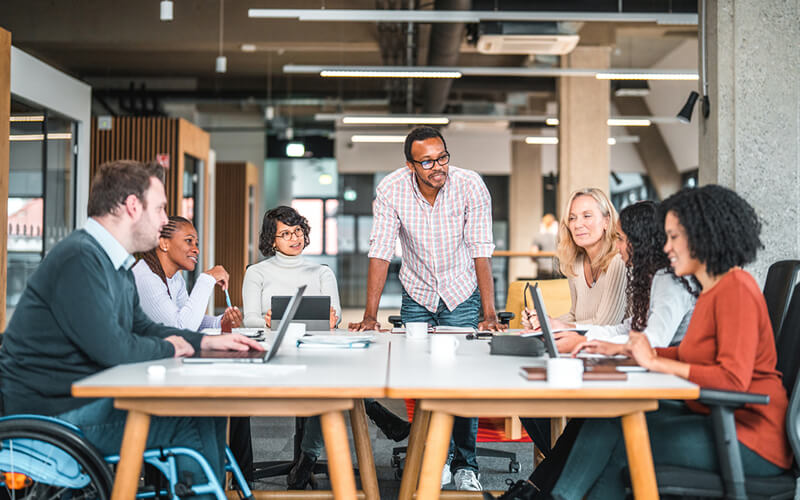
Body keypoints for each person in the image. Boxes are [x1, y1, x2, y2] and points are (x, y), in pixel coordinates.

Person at [490, 185, 791, 500]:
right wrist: (621, 349)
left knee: (621, 440)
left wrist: (653, 360)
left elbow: (732, 380)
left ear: (704, 236)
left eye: (673, 237)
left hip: (750, 438)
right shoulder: (711, 290)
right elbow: (688, 354)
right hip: (715, 417)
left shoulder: (736, 288)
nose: (666, 247)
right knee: (607, 418)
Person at [0, 160, 263, 495]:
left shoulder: (115, 262)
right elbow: (114, 349)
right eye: (161, 209)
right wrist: (172, 347)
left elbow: (142, 326)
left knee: (206, 407)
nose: (166, 220)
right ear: (132, 206)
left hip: (78, 402)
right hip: (51, 420)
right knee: (186, 417)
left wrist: (204, 343)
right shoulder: (80, 259)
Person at [349, 126, 506, 491]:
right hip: (417, 292)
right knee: (421, 378)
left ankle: (466, 464)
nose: (438, 167)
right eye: (427, 161)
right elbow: (380, 252)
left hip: (461, 290)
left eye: (443, 157)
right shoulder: (391, 189)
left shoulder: (470, 185)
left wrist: (489, 311)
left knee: (462, 380)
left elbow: (482, 249)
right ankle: (437, 456)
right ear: (411, 165)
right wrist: (370, 316)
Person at [517, 200, 698, 475]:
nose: (618, 246)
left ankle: (546, 486)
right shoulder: (653, 277)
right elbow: (628, 328)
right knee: (579, 422)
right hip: (650, 375)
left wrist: (581, 341)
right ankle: (544, 486)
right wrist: (570, 332)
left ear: (640, 241)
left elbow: (652, 343)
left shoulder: (668, 281)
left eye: (622, 239)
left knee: (591, 417)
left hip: (666, 386)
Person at [132, 215, 253, 482]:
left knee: (237, 401)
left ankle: (240, 480)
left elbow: (194, 322)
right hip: (150, 378)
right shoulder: (145, 278)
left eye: (196, 242)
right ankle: (211, 479)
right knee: (223, 400)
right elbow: (180, 328)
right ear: (163, 244)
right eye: (188, 241)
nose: (196, 248)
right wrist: (206, 280)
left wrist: (221, 322)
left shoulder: (173, 279)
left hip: (171, 367)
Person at [241, 205, 343, 490]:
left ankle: (307, 458)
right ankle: (374, 411)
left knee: (332, 380)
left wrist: (328, 319)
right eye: (285, 233)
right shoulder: (256, 273)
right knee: (334, 384)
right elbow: (249, 318)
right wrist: (267, 320)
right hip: (277, 350)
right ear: (271, 240)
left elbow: (336, 316)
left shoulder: (322, 272)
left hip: (316, 349)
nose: (294, 238)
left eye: (297, 231)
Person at [522, 187, 627, 354]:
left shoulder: (619, 260)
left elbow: (607, 325)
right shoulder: (577, 262)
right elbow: (574, 315)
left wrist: (558, 326)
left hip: (613, 353)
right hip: (586, 349)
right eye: (572, 218)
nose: (578, 224)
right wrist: (545, 322)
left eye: (587, 216)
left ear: (606, 221)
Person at [530, 213, 559, 279]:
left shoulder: (538, 237)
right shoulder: (560, 237)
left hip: (543, 269)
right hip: (557, 269)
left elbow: (533, 255)